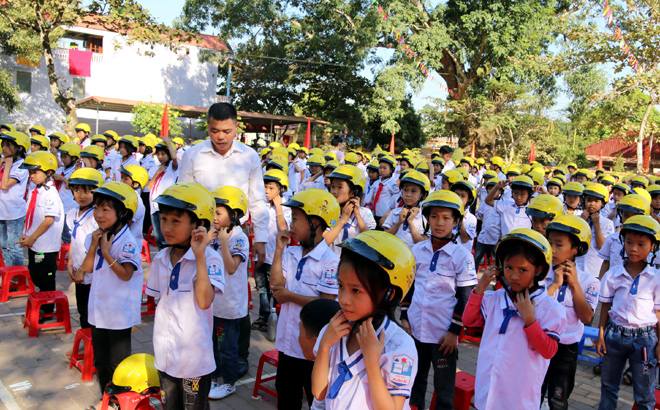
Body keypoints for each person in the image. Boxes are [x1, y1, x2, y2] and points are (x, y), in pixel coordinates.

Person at [311, 230, 418, 410]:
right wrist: (324, 347)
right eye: (341, 286)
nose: (343, 299)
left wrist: (371, 360)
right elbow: (319, 393)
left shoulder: (400, 348)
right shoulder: (334, 330)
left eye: (356, 290)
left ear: (388, 293)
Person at [463, 229, 566, 409]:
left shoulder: (550, 309)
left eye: (523, 270)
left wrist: (530, 320)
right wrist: (480, 288)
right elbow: (469, 321)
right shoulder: (494, 298)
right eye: (509, 267)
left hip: (519, 399)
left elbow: (548, 351)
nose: (514, 276)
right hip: (487, 392)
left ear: (539, 270)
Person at [146, 183, 225, 410]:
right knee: (170, 406)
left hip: (194, 363)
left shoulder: (210, 259)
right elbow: (159, 299)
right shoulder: (161, 257)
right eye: (163, 219)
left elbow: (204, 301)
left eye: (176, 221)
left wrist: (199, 256)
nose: (166, 227)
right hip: (165, 354)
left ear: (198, 225)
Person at [403, 190, 477, 410]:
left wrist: (454, 332)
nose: (439, 223)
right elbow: (409, 287)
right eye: (434, 216)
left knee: (444, 388)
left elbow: (465, 296)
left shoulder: (462, 256)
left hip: (443, 335)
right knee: (415, 381)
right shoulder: (416, 251)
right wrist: (405, 317)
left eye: (446, 218)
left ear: (456, 221)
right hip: (416, 329)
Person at [270, 189, 340, 410]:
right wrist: (279, 251)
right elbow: (275, 285)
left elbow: (326, 306)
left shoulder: (330, 261)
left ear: (316, 223)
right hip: (287, 342)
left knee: (315, 399)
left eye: (297, 219)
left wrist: (290, 296)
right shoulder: (290, 253)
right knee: (286, 396)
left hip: (313, 348)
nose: (291, 224)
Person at [76, 182, 142, 405]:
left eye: (106, 210)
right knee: (101, 361)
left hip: (118, 314)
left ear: (122, 213)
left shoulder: (128, 242)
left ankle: (122, 401)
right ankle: (107, 398)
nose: (99, 214)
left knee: (119, 364)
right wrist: (95, 247)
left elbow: (125, 274)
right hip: (99, 311)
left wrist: (105, 252)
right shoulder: (96, 236)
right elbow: (85, 271)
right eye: (97, 208)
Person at [178, 103, 269, 267]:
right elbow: (184, 197)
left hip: (236, 231)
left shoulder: (249, 156)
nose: (221, 137)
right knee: (200, 283)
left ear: (236, 127)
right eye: (215, 131)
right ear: (208, 127)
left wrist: (261, 239)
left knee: (233, 284)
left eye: (227, 131)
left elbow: (257, 199)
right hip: (202, 230)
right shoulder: (192, 155)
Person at [596, 215, 660, 410]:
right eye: (629, 242)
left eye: (641, 244)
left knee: (644, 393)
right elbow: (605, 306)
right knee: (608, 385)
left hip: (644, 341)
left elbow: (658, 312)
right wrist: (601, 334)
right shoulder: (613, 274)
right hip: (614, 336)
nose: (633, 248)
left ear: (652, 247)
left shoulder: (655, 277)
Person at [542, 216, 600, 410]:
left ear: (577, 249)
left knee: (558, 399)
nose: (553, 249)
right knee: (533, 391)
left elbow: (586, 317)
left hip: (566, 348)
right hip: (539, 343)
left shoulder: (589, 281)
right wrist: (555, 284)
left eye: (559, 245)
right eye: (550, 243)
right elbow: (534, 307)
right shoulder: (540, 274)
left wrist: (574, 284)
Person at [207, 186, 250, 400]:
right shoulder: (215, 234)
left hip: (229, 305)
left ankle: (230, 382)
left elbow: (231, 267)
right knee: (212, 343)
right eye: (213, 211)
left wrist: (223, 242)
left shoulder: (238, 238)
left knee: (227, 347)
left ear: (234, 215)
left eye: (218, 213)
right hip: (213, 301)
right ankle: (213, 378)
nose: (214, 217)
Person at [18, 152, 64, 316]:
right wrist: (26, 234)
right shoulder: (35, 191)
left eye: (35, 172)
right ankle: (43, 305)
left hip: (45, 246)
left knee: (46, 277)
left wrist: (32, 237)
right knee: (35, 272)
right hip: (35, 243)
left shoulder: (50, 193)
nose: (31, 176)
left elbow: (48, 220)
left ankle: (47, 309)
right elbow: (32, 217)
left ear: (49, 172)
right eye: (30, 172)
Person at [252, 170, 291, 332]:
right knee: (262, 288)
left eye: (271, 188)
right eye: (265, 188)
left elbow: (284, 230)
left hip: (275, 259)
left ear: (281, 189)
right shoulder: (262, 206)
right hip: (261, 255)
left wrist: (279, 209)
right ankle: (264, 315)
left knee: (275, 290)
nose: (267, 191)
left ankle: (275, 318)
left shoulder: (286, 208)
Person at [66, 168, 104, 329]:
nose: (81, 195)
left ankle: (93, 347)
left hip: (93, 272)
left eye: (88, 191)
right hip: (79, 268)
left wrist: (82, 268)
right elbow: (73, 240)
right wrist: (70, 262)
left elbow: (96, 247)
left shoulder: (98, 217)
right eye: (77, 190)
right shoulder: (71, 213)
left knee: (93, 312)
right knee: (82, 309)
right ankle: (86, 342)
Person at [325, 165, 377, 255]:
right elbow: (324, 243)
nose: (334, 191)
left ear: (354, 192)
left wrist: (357, 216)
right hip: (332, 265)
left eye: (340, 187)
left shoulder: (364, 213)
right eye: (333, 187)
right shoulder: (329, 213)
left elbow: (371, 241)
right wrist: (342, 221)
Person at [0, 131, 29, 266]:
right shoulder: (5, 162)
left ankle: (18, 277)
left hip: (14, 213)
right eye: (2, 145)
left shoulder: (21, 166)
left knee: (14, 247)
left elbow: (5, 185)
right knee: (4, 245)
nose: (3, 148)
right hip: (2, 211)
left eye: (7, 145)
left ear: (19, 148)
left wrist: (8, 165)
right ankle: (10, 274)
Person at [382, 170, 428, 247]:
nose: (408, 194)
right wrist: (398, 223)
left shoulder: (424, 217)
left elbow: (422, 243)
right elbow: (385, 236)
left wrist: (410, 222)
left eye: (413, 191)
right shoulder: (395, 212)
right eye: (405, 190)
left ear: (423, 195)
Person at [147, 140, 179, 249]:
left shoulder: (173, 167)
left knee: (165, 236)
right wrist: (157, 173)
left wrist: (169, 144)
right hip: (154, 207)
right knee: (158, 237)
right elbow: (148, 187)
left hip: (164, 206)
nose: (160, 157)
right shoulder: (156, 169)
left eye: (163, 154)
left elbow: (174, 159)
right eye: (158, 154)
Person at [578, 183, 614, 277]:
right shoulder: (577, 219)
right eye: (589, 200)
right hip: (577, 266)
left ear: (602, 203)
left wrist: (597, 224)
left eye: (597, 201)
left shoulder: (607, 223)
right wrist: (581, 222)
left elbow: (602, 246)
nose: (592, 204)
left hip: (595, 269)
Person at [474, 177, 501, 269]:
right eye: (490, 189)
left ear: (500, 191)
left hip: (495, 239)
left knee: (499, 262)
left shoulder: (502, 204)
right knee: (476, 259)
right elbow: (480, 213)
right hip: (484, 237)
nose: (492, 191)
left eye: (496, 189)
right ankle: (472, 279)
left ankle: (500, 281)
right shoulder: (485, 203)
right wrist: (484, 222)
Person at [118, 165, 148, 243]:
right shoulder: (125, 197)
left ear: (135, 184)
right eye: (122, 178)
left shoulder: (137, 202)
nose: (121, 181)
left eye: (126, 179)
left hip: (130, 244)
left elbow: (127, 223)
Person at [370, 154, 399, 226]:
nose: (381, 170)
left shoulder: (393, 184)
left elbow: (395, 201)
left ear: (391, 170)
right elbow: (373, 197)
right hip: (375, 213)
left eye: (385, 168)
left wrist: (387, 215)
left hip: (385, 215)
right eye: (380, 168)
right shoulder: (377, 182)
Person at [450, 180, 478, 252]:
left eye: (463, 196)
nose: (459, 198)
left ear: (469, 200)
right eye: (456, 194)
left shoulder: (471, 219)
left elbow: (464, 239)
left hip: (461, 258)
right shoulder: (447, 214)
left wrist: (460, 218)